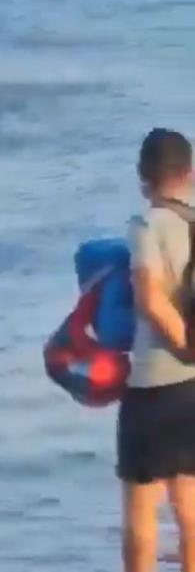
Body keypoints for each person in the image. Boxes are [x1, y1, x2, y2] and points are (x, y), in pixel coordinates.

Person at [119, 128, 195, 572]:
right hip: (193, 388)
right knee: (188, 500)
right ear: (189, 174)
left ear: (142, 178)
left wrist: (184, 345)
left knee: (140, 505)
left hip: (152, 384)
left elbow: (148, 297)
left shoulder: (146, 225)